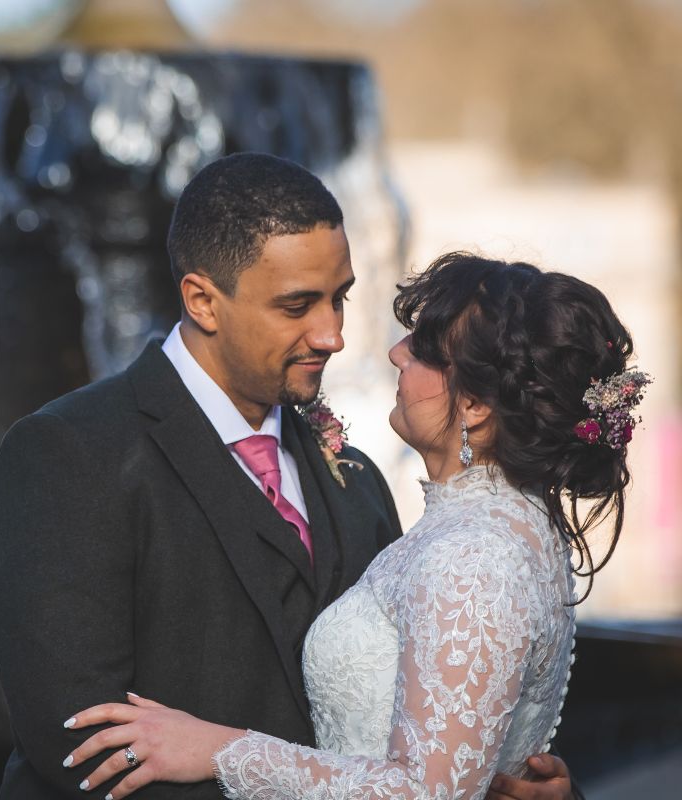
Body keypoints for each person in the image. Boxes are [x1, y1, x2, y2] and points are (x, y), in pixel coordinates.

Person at [0, 153, 574, 799]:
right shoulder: (67, 453)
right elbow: (82, 742)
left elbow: (420, 734)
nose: (333, 335)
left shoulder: (357, 475)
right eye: (297, 306)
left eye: (339, 299)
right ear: (203, 300)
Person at [61, 252, 645, 799]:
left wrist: (219, 749)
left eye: (425, 347)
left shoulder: (472, 558)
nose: (396, 353)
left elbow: (426, 792)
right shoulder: (508, 529)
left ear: (475, 406)